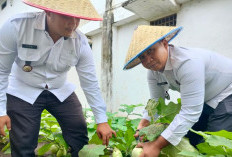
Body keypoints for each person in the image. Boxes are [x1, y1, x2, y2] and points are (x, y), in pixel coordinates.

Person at [0, 0, 116, 156]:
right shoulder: (16, 27)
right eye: (67, 17)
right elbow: (1, 71)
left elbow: (90, 84)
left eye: (77, 18)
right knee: (23, 142)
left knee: (78, 132)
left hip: (59, 89)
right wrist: (1, 111)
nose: (73, 24)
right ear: (48, 12)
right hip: (22, 89)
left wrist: (102, 120)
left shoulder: (80, 43)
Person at [123, 25, 232, 157]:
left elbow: (190, 112)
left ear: (164, 44)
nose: (148, 60)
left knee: (213, 146)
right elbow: (156, 102)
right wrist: (144, 123)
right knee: (193, 139)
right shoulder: (153, 72)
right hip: (207, 97)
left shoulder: (187, 63)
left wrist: (156, 145)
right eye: (142, 57)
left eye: (151, 51)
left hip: (227, 92)